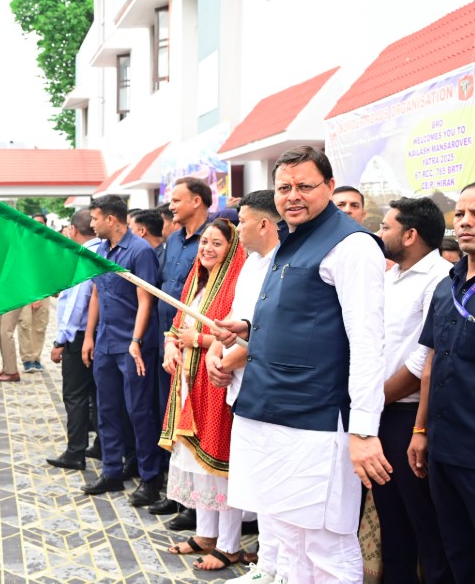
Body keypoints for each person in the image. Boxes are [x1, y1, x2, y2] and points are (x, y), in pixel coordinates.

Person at [212, 146, 389, 582]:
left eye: (305, 186)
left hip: (318, 423)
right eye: (284, 187)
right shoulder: (291, 239)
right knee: (284, 536)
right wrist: (247, 326)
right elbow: (305, 318)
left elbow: (367, 344)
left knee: (325, 545)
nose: (293, 196)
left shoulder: (351, 245)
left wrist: (364, 432)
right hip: (267, 411)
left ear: (329, 187)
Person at [371, 196, 454, 582]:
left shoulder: (440, 278)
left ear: (410, 234)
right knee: (392, 520)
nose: (380, 232)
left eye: (386, 226)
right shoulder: (388, 277)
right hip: (381, 413)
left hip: (410, 415)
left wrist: (378, 398)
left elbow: (425, 358)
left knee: (426, 524)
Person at [160, 218, 247, 572]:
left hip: (216, 382)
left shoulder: (237, 284)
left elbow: (241, 337)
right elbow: (178, 325)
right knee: (197, 463)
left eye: (217, 244)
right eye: (204, 242)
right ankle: (205, 534)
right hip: (187, 382)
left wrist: (196, 341)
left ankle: (229, 546)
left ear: (231, 249)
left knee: (218, 463)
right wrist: (170, 346)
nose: (207, 249)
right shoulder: (197, 279)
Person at [205, 190, 281, 584]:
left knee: (273, 484)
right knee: (253, 481)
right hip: (240, 390)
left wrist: (230, 359)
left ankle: (276, 566)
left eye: (243, 222)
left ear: (265, 224)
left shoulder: (283, 265)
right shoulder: (251, 264)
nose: (237, 230)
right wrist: (214, 355)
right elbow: (235, 317)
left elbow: (271, 330)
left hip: (269, 391)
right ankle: (266, 565)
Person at [81, 195, 164, 507]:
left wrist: (135, 341)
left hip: (133, 347)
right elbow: (96, 295)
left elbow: (146, 300)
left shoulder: (140, 251)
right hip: (105, 342)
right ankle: (112, 470)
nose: (92, 224)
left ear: (111, 220)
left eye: (95, 218)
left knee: (139, 411)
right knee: (107, 409)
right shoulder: (102, 250)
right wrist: (89, 336)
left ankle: (150, 477)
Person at [410, 181, 475, 581]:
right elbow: (431, 362)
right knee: (454, 550)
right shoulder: (443, 287)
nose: (466, 222)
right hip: (443, 446)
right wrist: (420, 429)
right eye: (462, 214)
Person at [150, 177, 212, 530]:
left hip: (198, 347)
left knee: (193, 422)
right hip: (170, 342)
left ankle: (194, 505)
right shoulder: (173, 240)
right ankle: (175, 492)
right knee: (169, 419)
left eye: (177, 200)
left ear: (198, 201)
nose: (171, 206)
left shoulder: (216, 237)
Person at [46, 209, 102, 470]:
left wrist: (60, 341)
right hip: (97, 335)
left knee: (76, 397)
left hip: (79, 337)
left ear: (73, 230)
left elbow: (78, 304)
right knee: (96, 394)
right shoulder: (105, 249)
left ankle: (75, 451)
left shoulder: (84, 256)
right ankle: (100, 444)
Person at [18, 213, 51, 373]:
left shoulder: (49, 245)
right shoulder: (24, 244)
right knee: (25, 325)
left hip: (43, 291)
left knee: (40, 326)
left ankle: (36, 358)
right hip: (25, 291)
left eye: (40, 222)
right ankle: (27, 359)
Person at [0, 308, 22, 382]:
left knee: (6, 332)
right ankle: (7, 367)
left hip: (13, 298)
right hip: (1, 298)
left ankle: (12, 372)